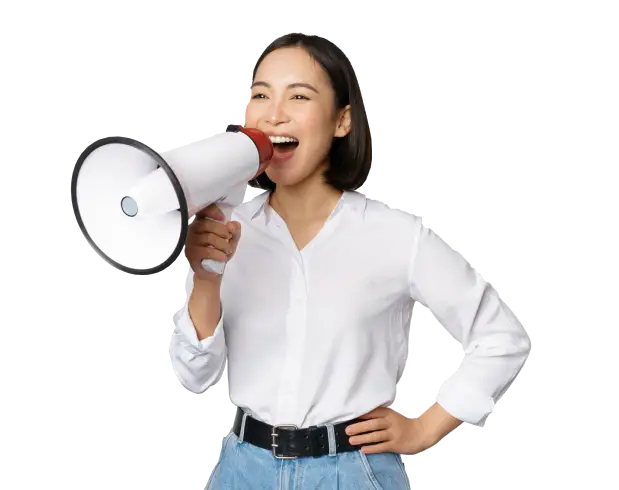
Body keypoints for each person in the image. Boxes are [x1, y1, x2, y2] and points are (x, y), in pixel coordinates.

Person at [170, 32, 531, 490]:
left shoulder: (396, 235)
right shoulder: (225, 226)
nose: (273, 112)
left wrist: (425, 428)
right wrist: (206, 278)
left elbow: (500, 338)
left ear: (342, 121)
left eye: (299, 95)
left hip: (352, 472)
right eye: (261, 94)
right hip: (242, 469)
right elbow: (194, 376)